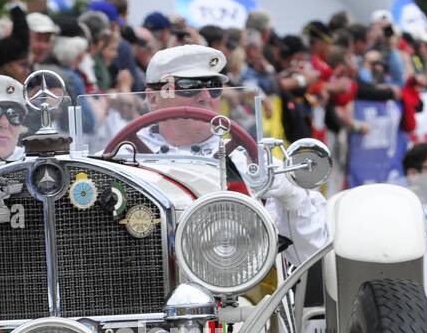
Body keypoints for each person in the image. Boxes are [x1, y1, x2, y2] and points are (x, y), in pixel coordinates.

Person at [138, 44, 328, 262]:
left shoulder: (248, 162)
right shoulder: (120, 159)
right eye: (188, 86)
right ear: (153, 98)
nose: (206, 96)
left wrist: (293, 198)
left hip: (233, 291)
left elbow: (312, 258)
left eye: (214, 85)